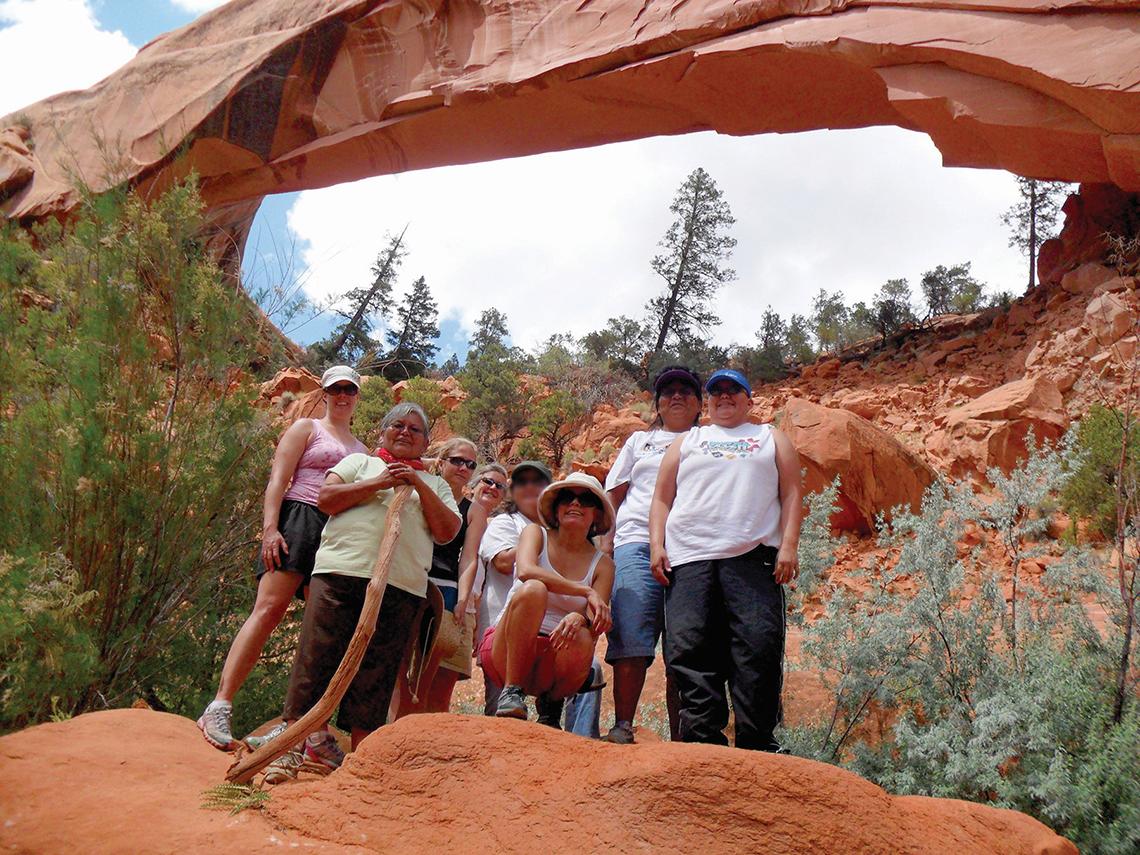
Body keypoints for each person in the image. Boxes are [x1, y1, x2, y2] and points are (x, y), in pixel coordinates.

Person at [264, 402, 461, 782]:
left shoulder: (437, 485)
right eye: (397, 426)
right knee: (316, 657)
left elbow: (447, 531)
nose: (405, 432)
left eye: (415, 430)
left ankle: (362, 764)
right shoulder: (358, 462)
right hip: (341, 572)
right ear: (383, 432)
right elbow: (326, 499)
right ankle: (291, 750)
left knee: (378, 671)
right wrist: (380, 483)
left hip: (401, 587)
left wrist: (417, 482)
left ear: (425, 443)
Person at [197, 365, 368, 751]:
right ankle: (219, 705)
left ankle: (310, 730)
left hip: (335, 536)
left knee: (322, 633)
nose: (342, 395)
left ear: (357, 396)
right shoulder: (306, 429)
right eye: (335, 389)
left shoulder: (361, 450)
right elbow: (279, 479)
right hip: (299, 519)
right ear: (324, 393)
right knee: (268, 609)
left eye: (349, 390)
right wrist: (270, 529)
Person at [648, 368, 803, 752]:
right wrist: (656, 545)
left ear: (749, 400)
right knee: (690, 649)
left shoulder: (769, 437)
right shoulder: (688, 440)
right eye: (717, 391)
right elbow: (662, 498)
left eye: (735, 390)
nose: (725, 396)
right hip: (688, 557)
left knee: (757, 648)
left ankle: (757, 740)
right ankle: (703, 741)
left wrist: (788, 545)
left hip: (752, 556)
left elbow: (793, 493)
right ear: (709, 401)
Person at [601, 365, 702, 744]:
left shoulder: (707, 440)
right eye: (667, 391)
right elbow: (614, 496)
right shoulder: (638, 442)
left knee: (686, 642)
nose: (676, 396)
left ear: (698, 404)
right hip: (635, 542)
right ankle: (622, 725)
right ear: (657, 404)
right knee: (631, 633)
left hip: (691, 549)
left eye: (685, 390)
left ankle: (684, 737)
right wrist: (605, 550)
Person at [481, 473, 615, 720]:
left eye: (585, 499)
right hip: (507, 650)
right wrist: (585, 591)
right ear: (556, 508)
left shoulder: (603, 565)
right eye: (567, 497)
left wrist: (579, 617)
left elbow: (594, 616)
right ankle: (512, 691)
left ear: (596, 513)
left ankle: (552, 706)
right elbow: (525, 571)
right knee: (534, 589)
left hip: (557, 656)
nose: (575, 504)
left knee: (583, 635)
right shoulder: (535, 533)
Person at [394, 446, 508, 715]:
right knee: (397, 662)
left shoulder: (473, 511)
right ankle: (393, 729)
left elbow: (468, 558)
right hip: (408, 578)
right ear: (441, 461)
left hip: (444, 587)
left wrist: (463, 597)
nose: (464, 469)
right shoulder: (418, 490)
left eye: (470, 464)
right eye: (457, 461)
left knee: (427, 669)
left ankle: (414, 732)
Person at [473, 460, 552, 716]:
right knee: (501, 703)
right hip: (501, 626)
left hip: (548, 625)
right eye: (522, 482)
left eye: (537, 482)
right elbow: (503, 562)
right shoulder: (504, 522)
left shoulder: (556, 530)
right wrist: (548, 544)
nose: (530, 488)